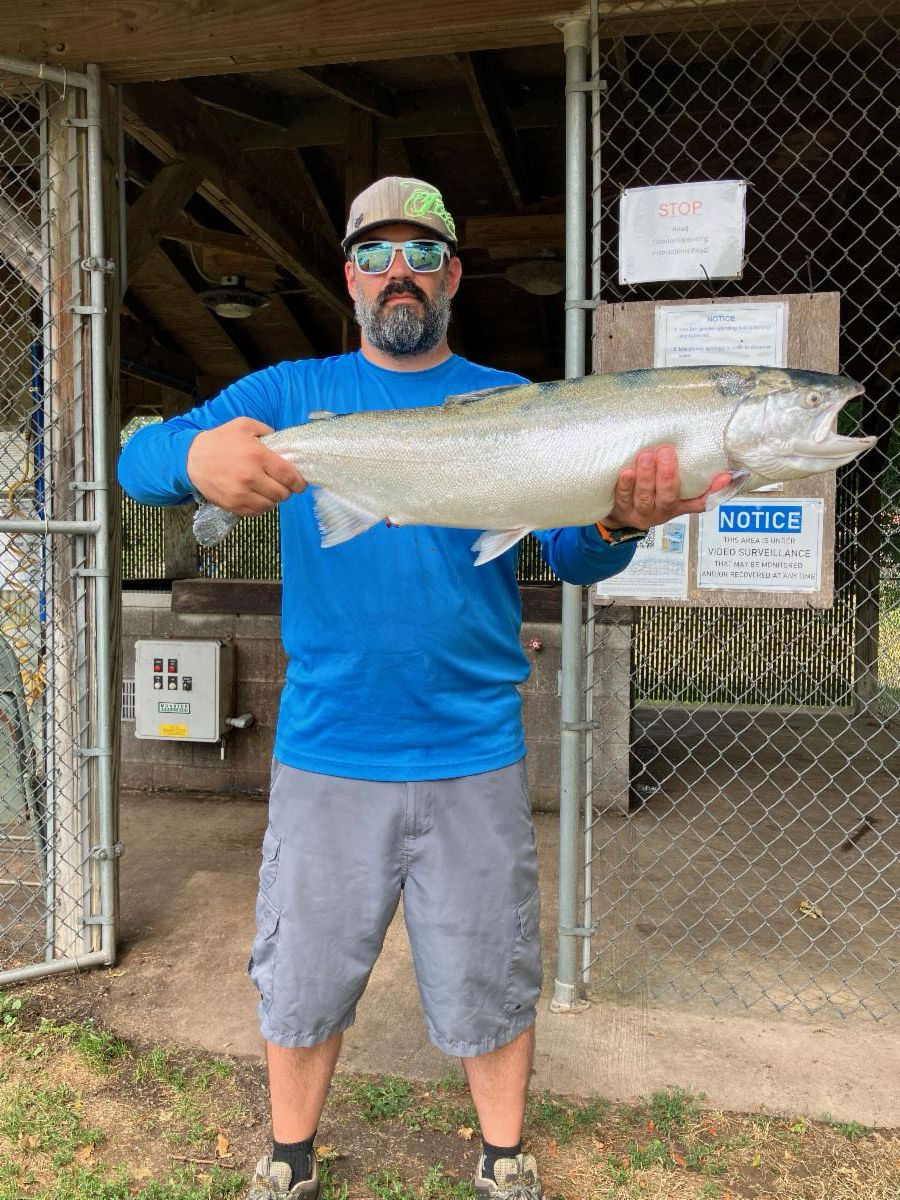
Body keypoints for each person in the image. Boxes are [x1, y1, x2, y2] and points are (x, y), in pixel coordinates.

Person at [118, 176, 731, 1200]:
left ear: (451, 274)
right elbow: (141, 459)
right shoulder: (288, 395)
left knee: (489, 965)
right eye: (373, 255)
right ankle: (289, 1159)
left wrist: (621, 523)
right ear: (348, 280)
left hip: (474, 745)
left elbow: (574, 559)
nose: (395, 273)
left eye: (418, 254)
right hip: (328, 745)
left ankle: (502, 1159)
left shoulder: (518, 401)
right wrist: (191, 457)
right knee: (305, 969)